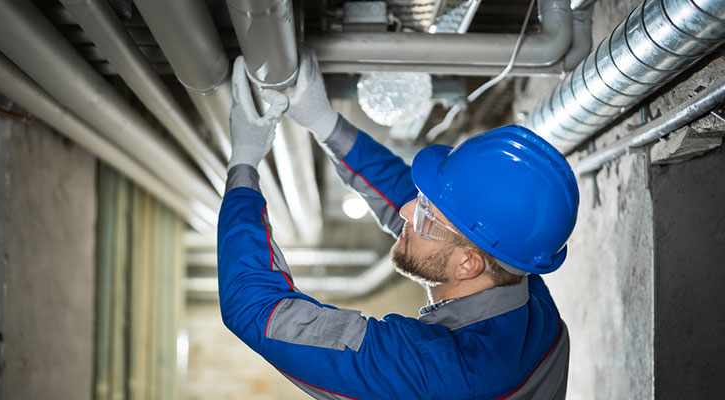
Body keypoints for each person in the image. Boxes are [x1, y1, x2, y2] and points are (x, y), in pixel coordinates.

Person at [218, 47, 580, 399]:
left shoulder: (435, 376)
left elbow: (255, 309)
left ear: (469, 264)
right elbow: (427, 212)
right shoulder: (523, 285)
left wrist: (244, 164)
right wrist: (324, 123)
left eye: (423, 216)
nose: (407, 212)